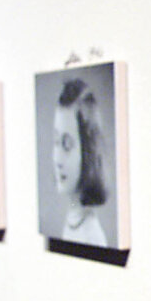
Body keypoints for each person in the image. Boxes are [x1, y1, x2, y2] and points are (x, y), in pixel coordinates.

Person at [51, 78, 109, 247]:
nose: (57, 159)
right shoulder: (72, 220)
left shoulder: (92, 236)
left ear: (87, 152)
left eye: (67, 145)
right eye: (56, 142)